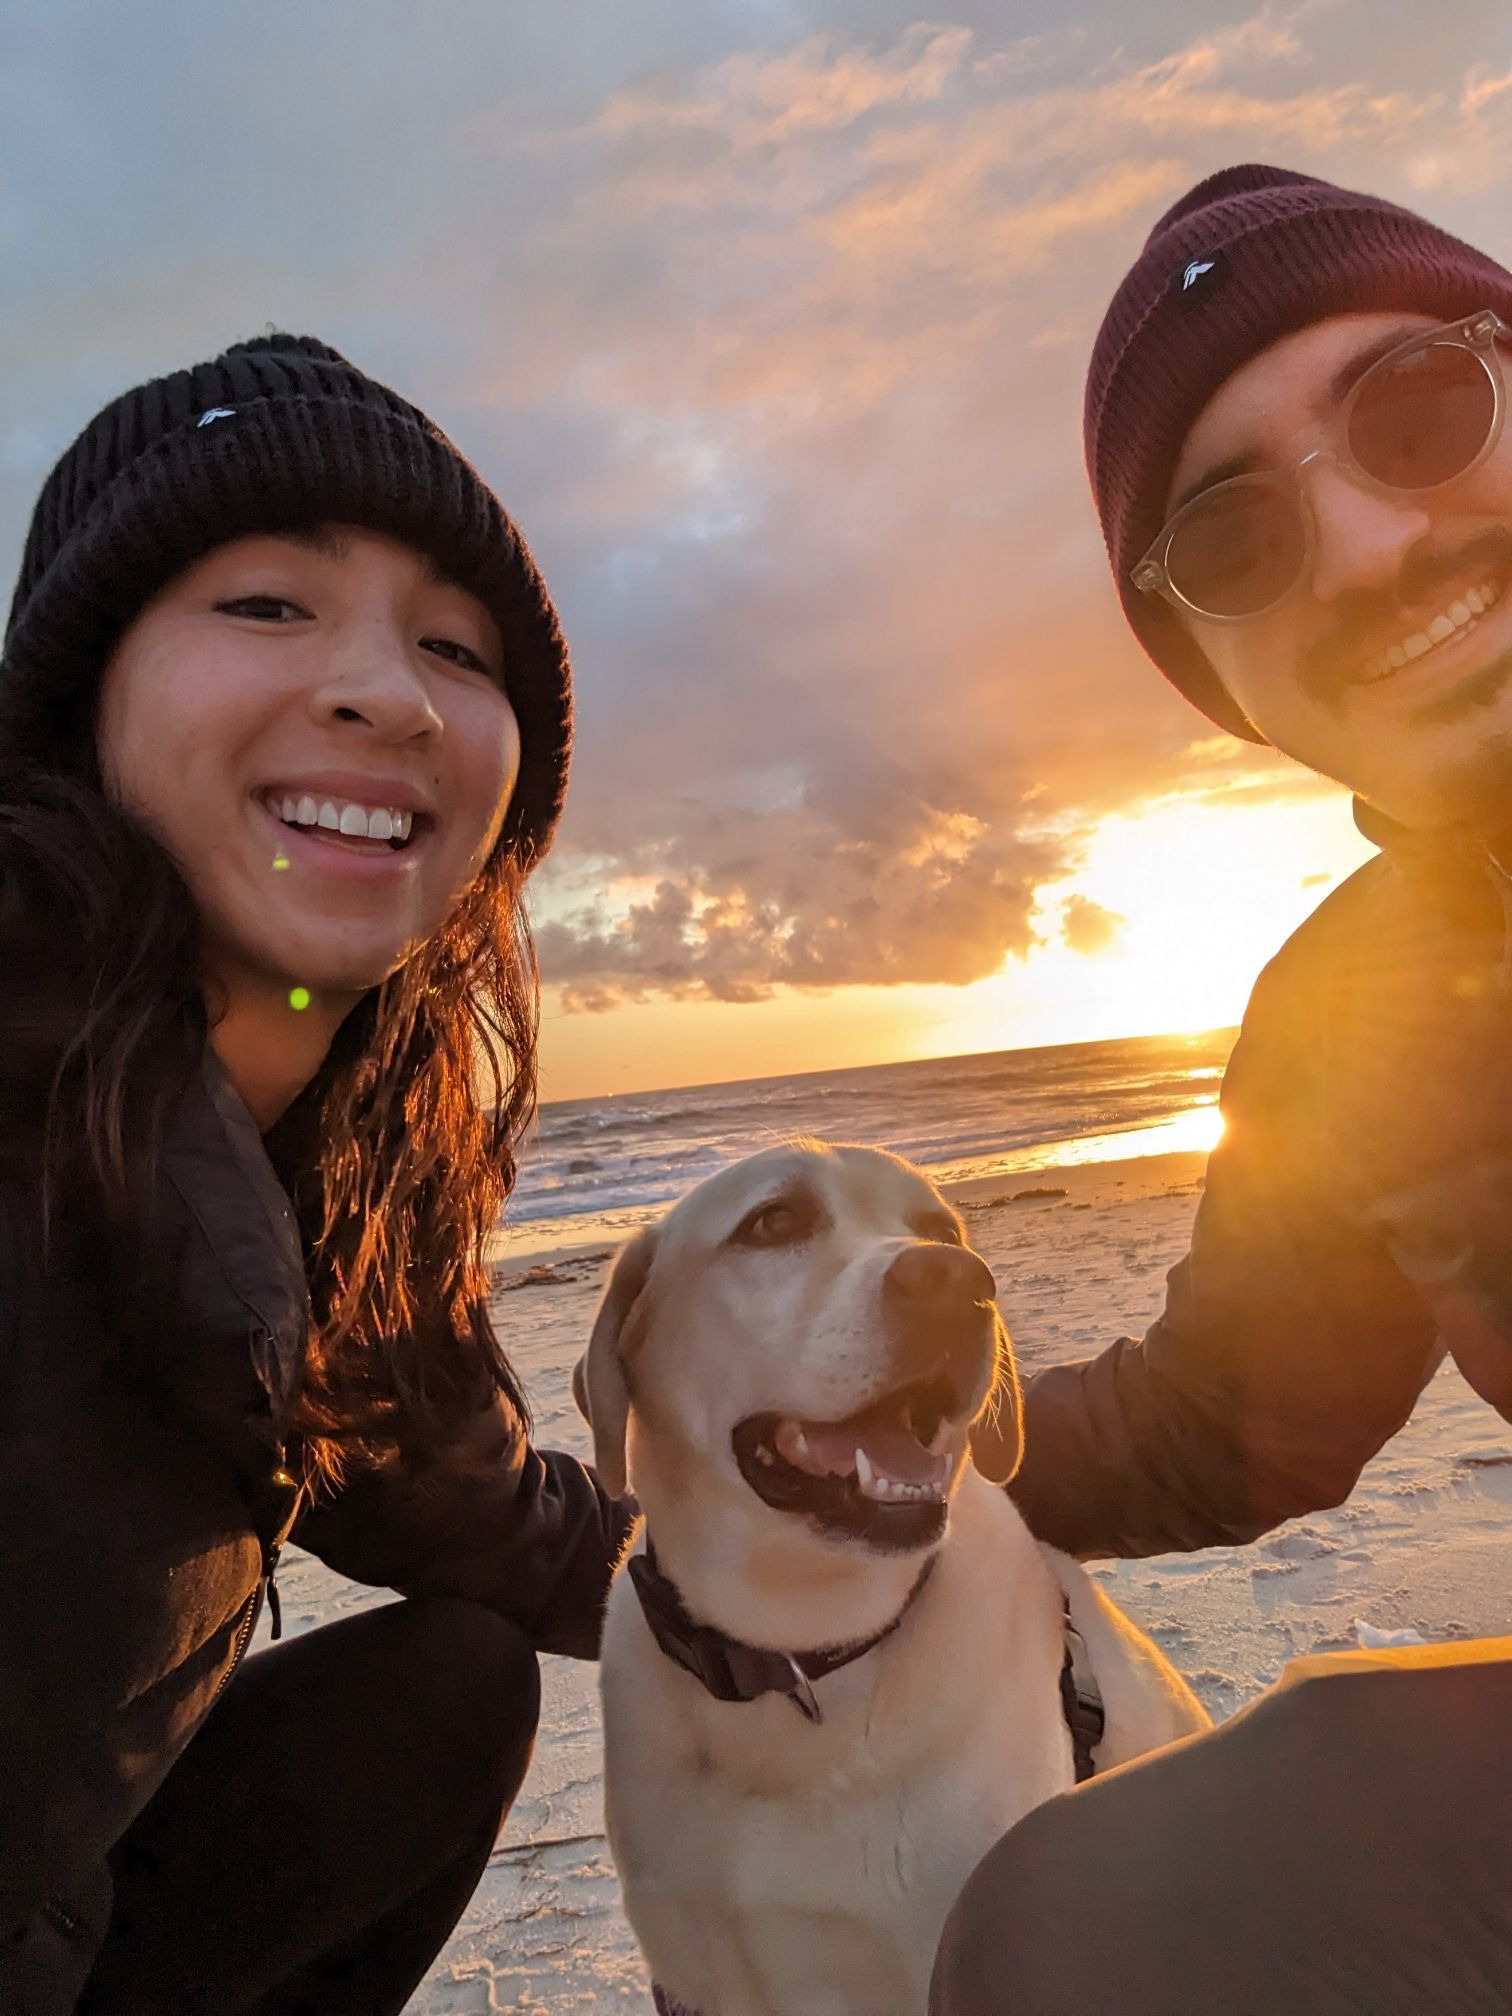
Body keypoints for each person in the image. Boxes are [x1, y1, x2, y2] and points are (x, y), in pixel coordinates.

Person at [932, 167, 1512, 2013]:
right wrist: (872, 1464)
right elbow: (1228, 1425)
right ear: (1225, 687)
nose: (1358, 548)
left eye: (1419, 408)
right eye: (1239, 539)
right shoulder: (1358, 1001)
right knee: (1082, 1918)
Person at [0, 333, 633, 2014]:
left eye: (455, 647)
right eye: (267, 607)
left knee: (454, 1682)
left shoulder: (323, 1184)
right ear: (81, 702)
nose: (391, 692)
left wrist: (858, 1551)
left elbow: (491, 1530)